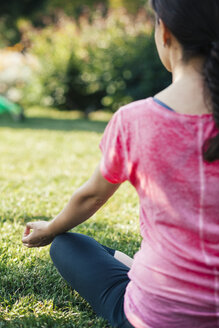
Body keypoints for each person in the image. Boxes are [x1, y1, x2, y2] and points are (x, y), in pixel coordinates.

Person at [22, 0, 219, 327]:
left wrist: (50, 229)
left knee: (67, 244)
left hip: (153, 317)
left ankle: (133, 269)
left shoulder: (135, 120)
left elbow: (91, 196)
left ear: (165, 32)